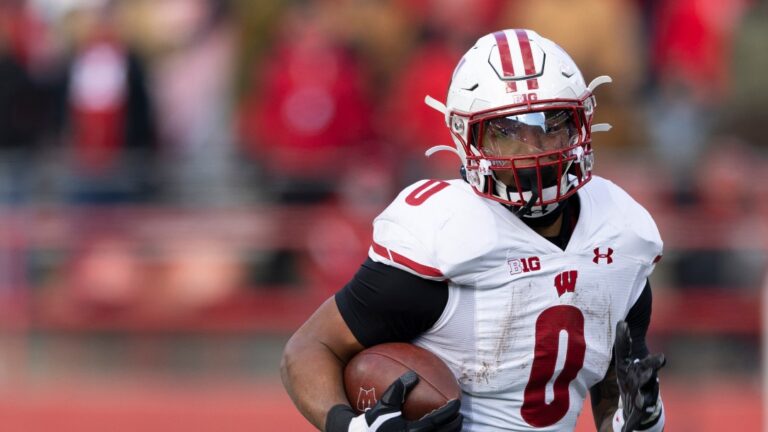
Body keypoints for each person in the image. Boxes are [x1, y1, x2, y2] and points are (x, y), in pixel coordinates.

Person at [281, 29, 667, 432]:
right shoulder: (446, 234)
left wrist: (641, 418)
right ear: (466, 137)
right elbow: (308, 349)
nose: (533, 149)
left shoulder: (620, 235)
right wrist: (351, 427)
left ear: (581, 124)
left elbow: (615, 396)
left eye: (551, 124)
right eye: (508, 132)